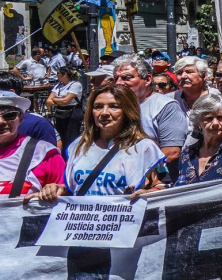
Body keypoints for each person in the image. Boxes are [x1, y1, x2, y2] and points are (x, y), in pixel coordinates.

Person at [27, 84, 167, 202]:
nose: (104, 113)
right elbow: (73, 189)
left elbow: (164, 187)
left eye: (114, 106)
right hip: (83, 226)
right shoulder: (78, 146)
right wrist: (58, 189)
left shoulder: (144, 148)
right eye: (98, 107)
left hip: (123, 226)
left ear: (128, 111)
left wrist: (151, 194)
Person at [112, 55, 188, 172]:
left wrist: (135, 172)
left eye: (127, 78)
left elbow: (171, 153)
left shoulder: (165, 107)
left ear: (147, 80)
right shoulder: (112, 106)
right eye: (115, 78)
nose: (119, 83)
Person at [174, 94, 222, 186]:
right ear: (198, 122)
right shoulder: (187, 154)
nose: (215, 123)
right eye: (208, 118)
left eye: (220, 117)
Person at [0, 92, 64, 197]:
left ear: (20, 118)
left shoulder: (45, 154)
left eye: (9, 115)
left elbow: (64, 198)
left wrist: (53, 191)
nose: (1, 122)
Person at [45, 68, 83, 148]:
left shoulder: (76, 85)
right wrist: (59, 101)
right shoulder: (58, 85)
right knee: (61, 136)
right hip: (60, 112)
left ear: (65, 74)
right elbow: (48, 100)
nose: (56, 75)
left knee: (71, 137)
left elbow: (66, 101)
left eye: (58, 73)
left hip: (73, 112)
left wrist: (54, 100)